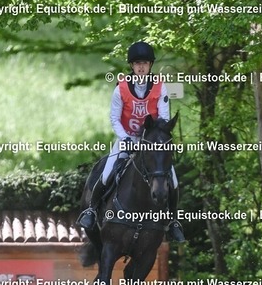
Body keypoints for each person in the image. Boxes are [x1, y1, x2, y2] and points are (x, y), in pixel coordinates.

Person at [78, 41, 185, 242]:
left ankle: (172, 223)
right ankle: (91, 211)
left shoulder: (160, 87)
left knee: (173, 180)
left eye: (144, 63)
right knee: (106, 173)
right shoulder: (121, 89)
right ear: (132, 66)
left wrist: (154, 139)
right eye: (137, 63)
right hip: (126, 137)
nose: (141, 67)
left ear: (150, 65)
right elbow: (114, 118)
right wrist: (126, 138)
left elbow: (163, 119)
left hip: (152, 142)